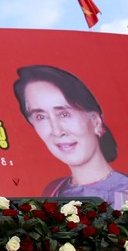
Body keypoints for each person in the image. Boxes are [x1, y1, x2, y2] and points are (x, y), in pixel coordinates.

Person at [13, 64, 128, 205]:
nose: (57, 131)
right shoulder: (52, 191)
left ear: (96, 121)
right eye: (41, 117)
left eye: (64, 114)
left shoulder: (124, 192)